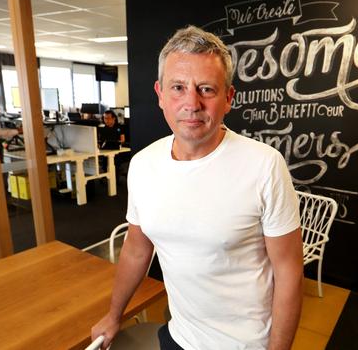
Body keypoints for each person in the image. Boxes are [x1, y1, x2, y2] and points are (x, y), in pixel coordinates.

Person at [90, 25, 303, 350]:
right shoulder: (144, 165)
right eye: (178, 87)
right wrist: (113, 314)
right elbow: (136, 248)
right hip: (180, 336)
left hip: (246, 344)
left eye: (206, 89)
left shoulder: (264, 166)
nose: (191, 103)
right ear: (160, 94)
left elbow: (288, 272)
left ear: (229, 98)